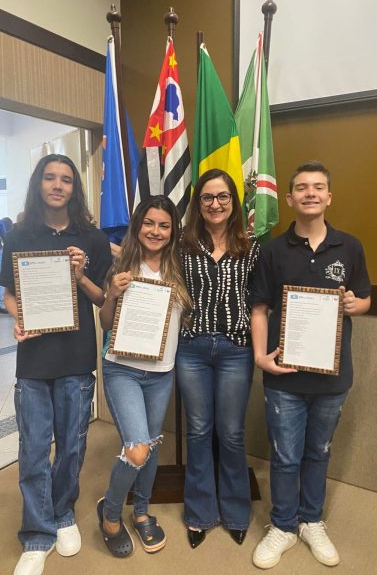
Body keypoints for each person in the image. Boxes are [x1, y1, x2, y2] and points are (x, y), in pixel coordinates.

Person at [251, 161, 371, 569]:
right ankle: (283, 525)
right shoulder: (272, 250)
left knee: (318, 451)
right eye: (301, 187)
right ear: (289, 198)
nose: (310, 193)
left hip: (333, 377)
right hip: (284, 374)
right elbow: (260, 308)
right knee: (284, 454)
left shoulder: (350, 246)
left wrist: (359, 304)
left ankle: (311, 520)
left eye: (318, 186)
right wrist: (259, 356)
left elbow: (363, 297)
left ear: (329, 196)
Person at [0, 154, 112, 575]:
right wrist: (18, 319)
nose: (58, 185)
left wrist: (80, 273)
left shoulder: (93, 238)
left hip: (76, 358)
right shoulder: (19, 235)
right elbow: (10, 293)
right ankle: (37, 533)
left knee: (71, 446)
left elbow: (103, 299)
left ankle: (63, 512)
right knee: (32, 450)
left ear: (74, 188)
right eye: (50, 177)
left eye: (66, 179)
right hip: (33, 360)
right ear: (39, 183)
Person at [97, 195, 191, 558]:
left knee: (150, 449)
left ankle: (141, 512)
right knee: (136, 449)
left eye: (164, 225)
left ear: (172, 231)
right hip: (123, 369)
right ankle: (109, 515)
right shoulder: (121, 264)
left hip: (161, 373)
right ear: (138, 226)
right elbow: (106, 323)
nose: (156, 231)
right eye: (149, 223)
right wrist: (112, 295)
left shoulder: (180, 268)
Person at [175, 168, 260, 549]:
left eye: (223, 196)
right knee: (197, 431)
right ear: (198, 203)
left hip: (235, 350)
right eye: (207, 197)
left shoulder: (253, 245)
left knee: (231, 432)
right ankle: (200, 513)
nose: (215, 204)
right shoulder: (182, 243)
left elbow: (263, 300)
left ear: (233, 201)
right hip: (191, 348)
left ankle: (237, 512)